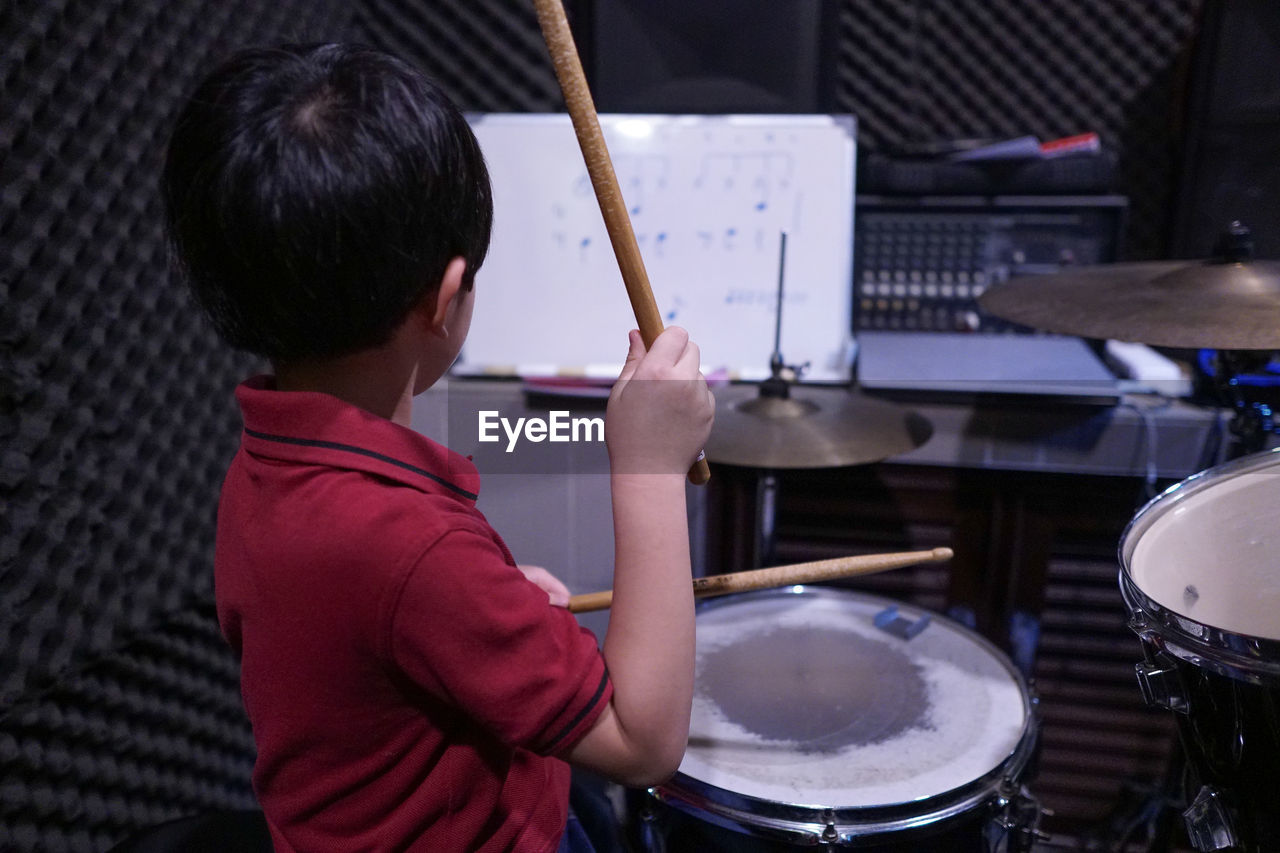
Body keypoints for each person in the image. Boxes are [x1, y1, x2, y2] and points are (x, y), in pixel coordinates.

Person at [161, 43, 714, 852]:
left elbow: (355, 631)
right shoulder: (411, 548)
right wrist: (648, 467)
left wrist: (472, 608)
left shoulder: (268, 465)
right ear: (448, 298)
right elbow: (643, 740)